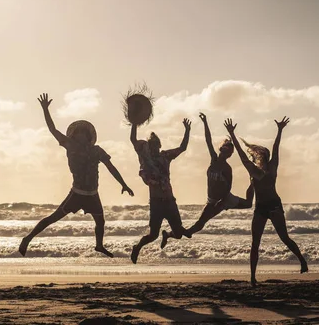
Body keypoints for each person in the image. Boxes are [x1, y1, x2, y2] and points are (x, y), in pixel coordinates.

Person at [19, 93, 134, 258]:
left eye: (83, 133)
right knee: (53, 218)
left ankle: (99, 246)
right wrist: (45, 109)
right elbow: (53, 129)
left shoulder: (97, 150)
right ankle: (27, 238)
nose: (80, 135)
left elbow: (111, 167)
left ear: (88, 136)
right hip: (77, 194)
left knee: (100, 221)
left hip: (93, 194)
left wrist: (123, 184)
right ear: (73, 135)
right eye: (77, 133)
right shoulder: (70, 145)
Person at [224, 116, 308, 286]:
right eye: (259, 157)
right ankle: (253, 277)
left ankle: (302, 261)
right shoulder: (252, 170)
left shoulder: (272, 167)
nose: (259, 159)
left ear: (265, 158)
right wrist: (232, 135)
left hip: (274, 206)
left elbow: (276, 149)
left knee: (284, 238)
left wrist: (279, 130)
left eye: (262, 157)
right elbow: (241, 155)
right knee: (255, 243)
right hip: (260, 207)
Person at [161, 113, 254, 249]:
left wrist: (220, 203)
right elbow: (208, 141)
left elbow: (228, 188)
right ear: (221, 149)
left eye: (229, 151)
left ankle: (253, 181)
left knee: (247, 204)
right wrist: (205, 122)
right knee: (196, 227)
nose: (226, 152)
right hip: (211, 200)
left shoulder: (227, 169)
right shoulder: (214, 160)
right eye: (225, 148)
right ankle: (169, 234)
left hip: (224, 199)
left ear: (229, 154)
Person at [129, 118, 192, 263]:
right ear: (148, 147)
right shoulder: (145, 159)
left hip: (170, 201)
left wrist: (187, 131)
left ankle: (168, 235)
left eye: (156, 145)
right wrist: (134, 122)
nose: (155, 148)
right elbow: (133, 140)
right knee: (152, 235)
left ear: (159, 145)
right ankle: (137, 247)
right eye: (152, 145)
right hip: (157, 203)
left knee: (178, 233)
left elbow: (182, 148)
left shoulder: (165, 156)